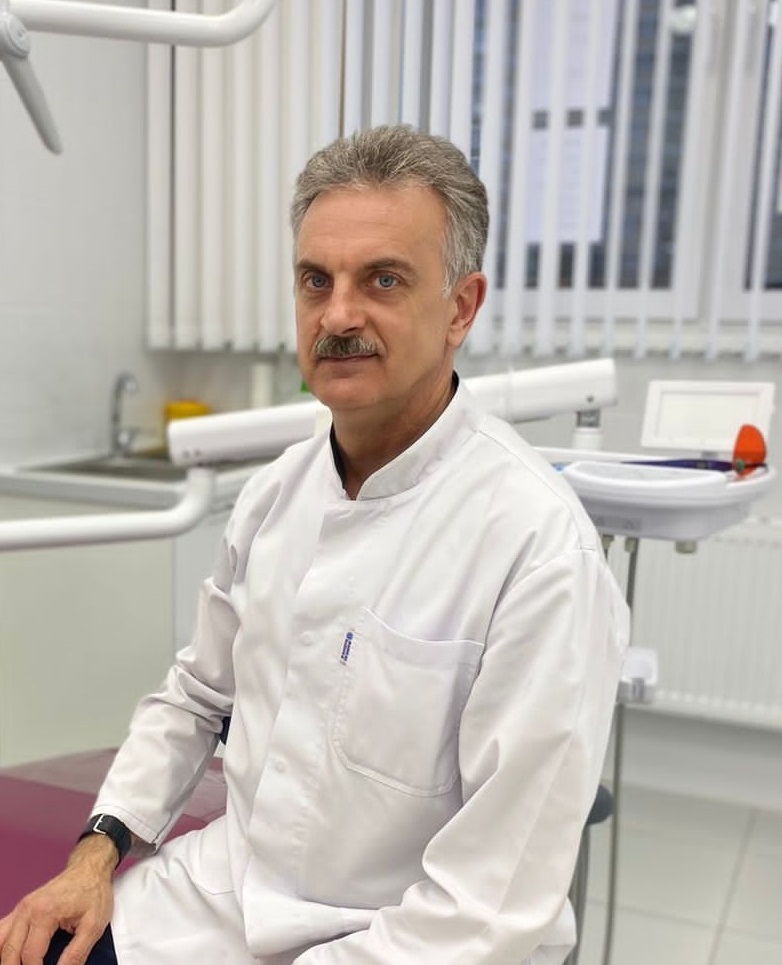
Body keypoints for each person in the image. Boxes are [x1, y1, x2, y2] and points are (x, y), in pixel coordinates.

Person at [0, 125, 629, 965]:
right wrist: (96, 851)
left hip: (406, 937)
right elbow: (196, 697)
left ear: (461, 307)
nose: (337, 315)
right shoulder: (274, 496)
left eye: (383, 279)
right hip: (221, 902)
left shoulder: (538, 549)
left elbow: (489, 905)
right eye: (315, 280)